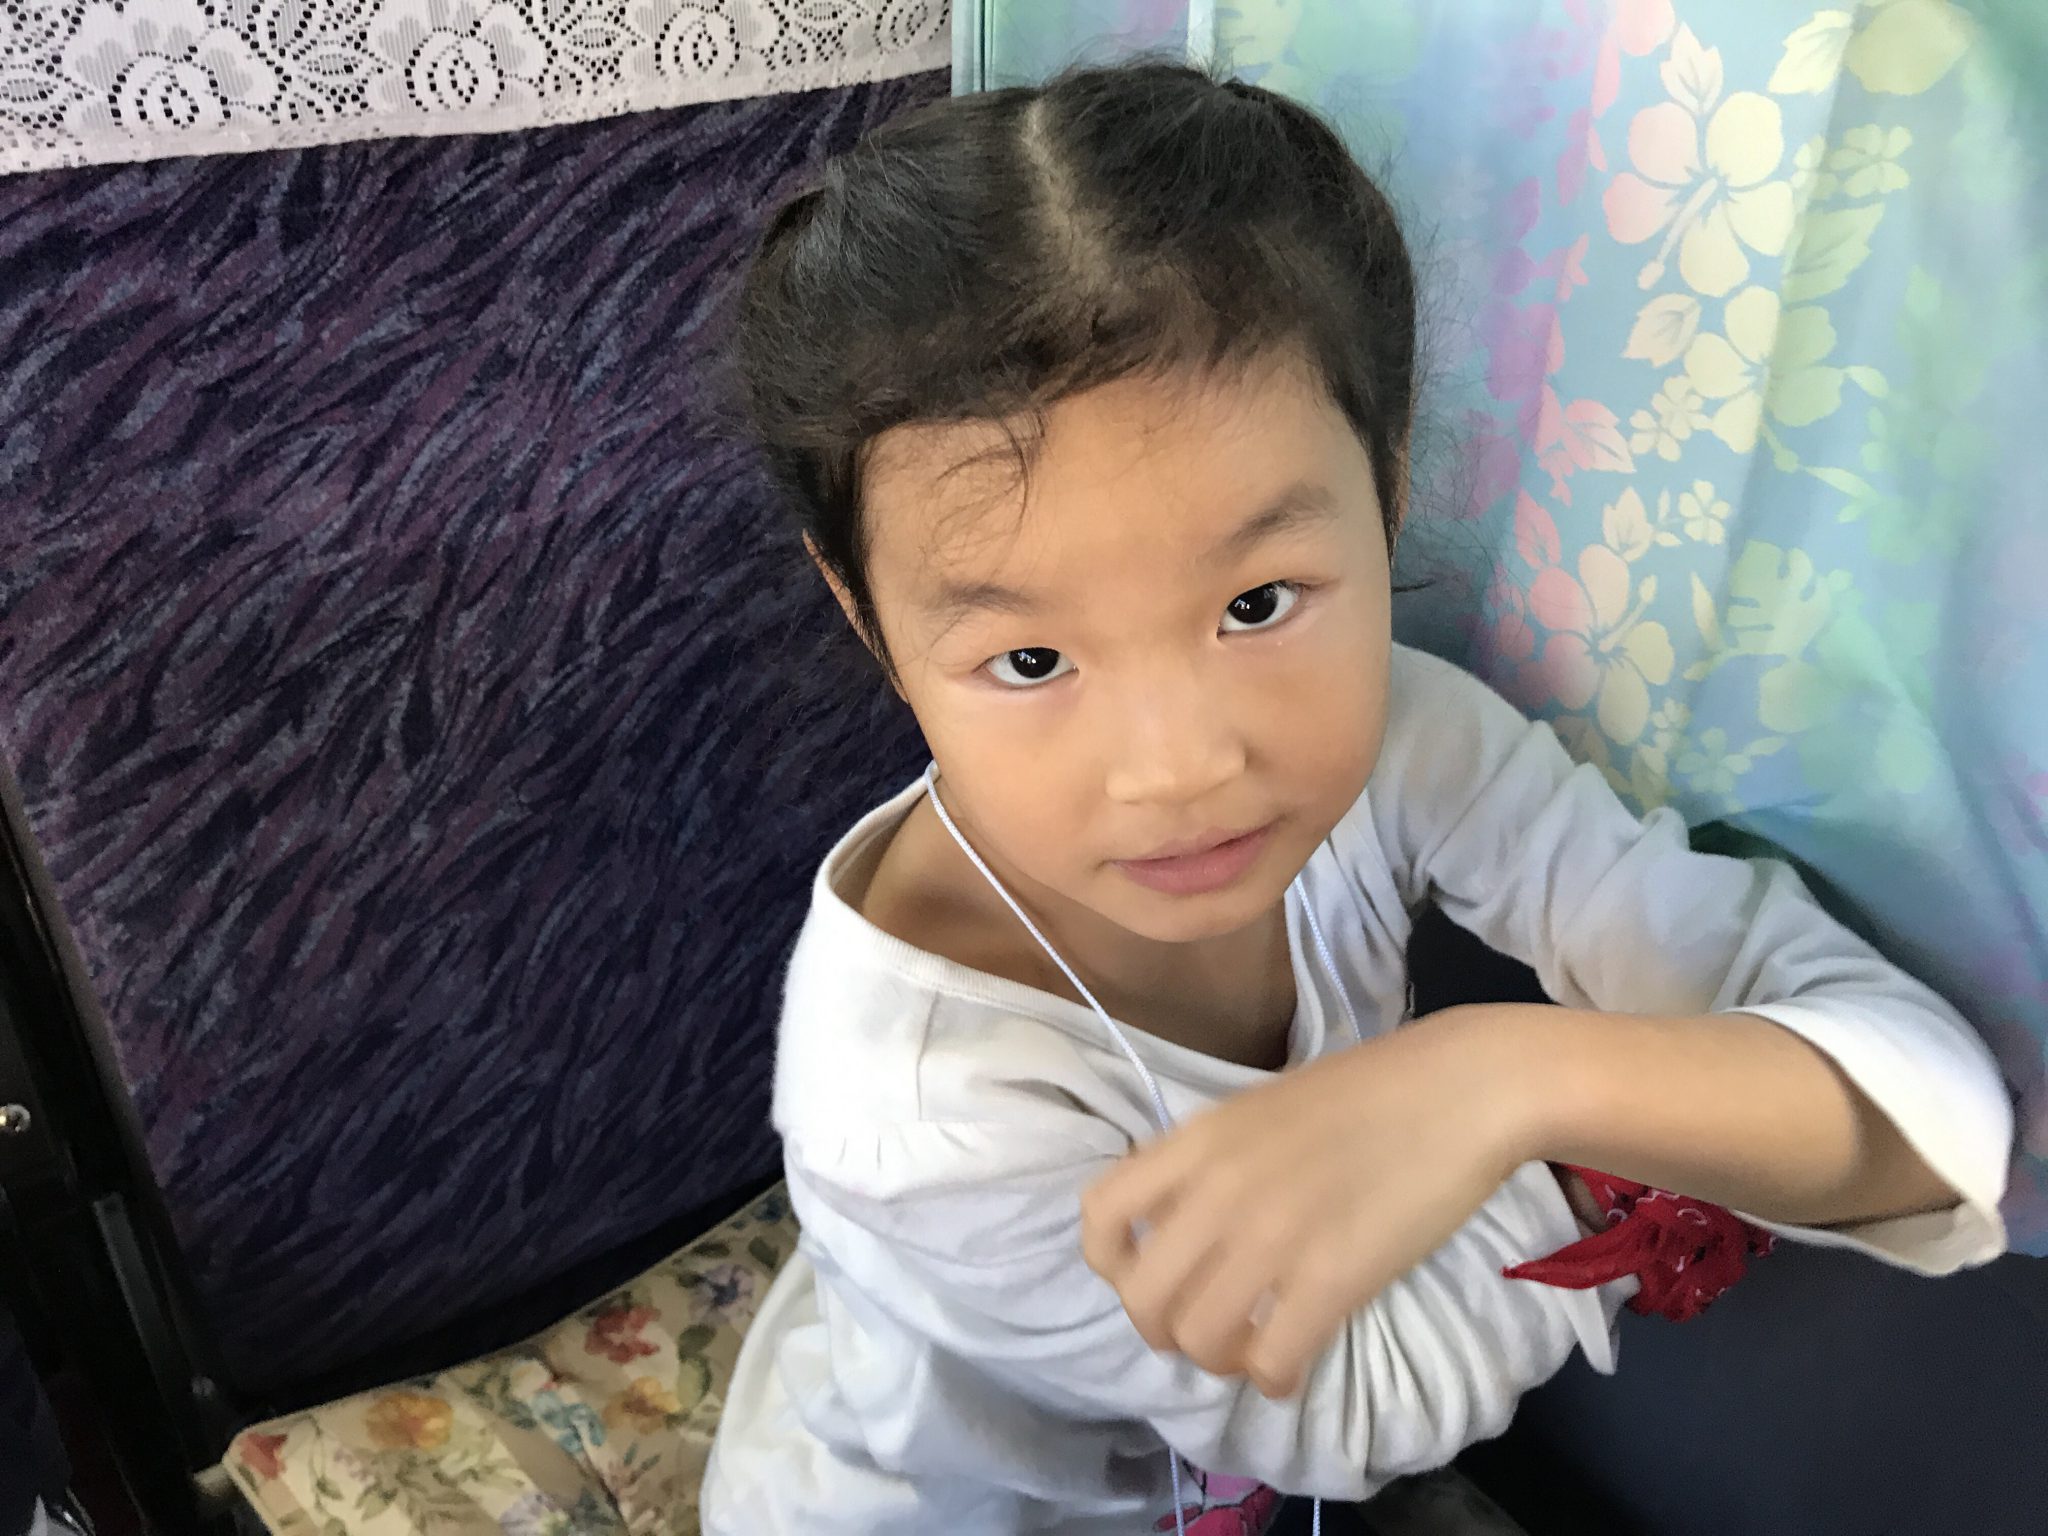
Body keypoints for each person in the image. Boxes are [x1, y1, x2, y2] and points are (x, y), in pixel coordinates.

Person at [699, 62, 2013, 1536]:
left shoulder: (1401, 736)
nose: (1180, 769)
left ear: (1385, 494)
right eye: (1032, 659)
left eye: (1257, 602)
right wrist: (1598, 1169)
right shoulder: (917, 1112)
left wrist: (1505, 1077)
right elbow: (1351, 1405)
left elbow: (1936, 1118)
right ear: (867, 615)